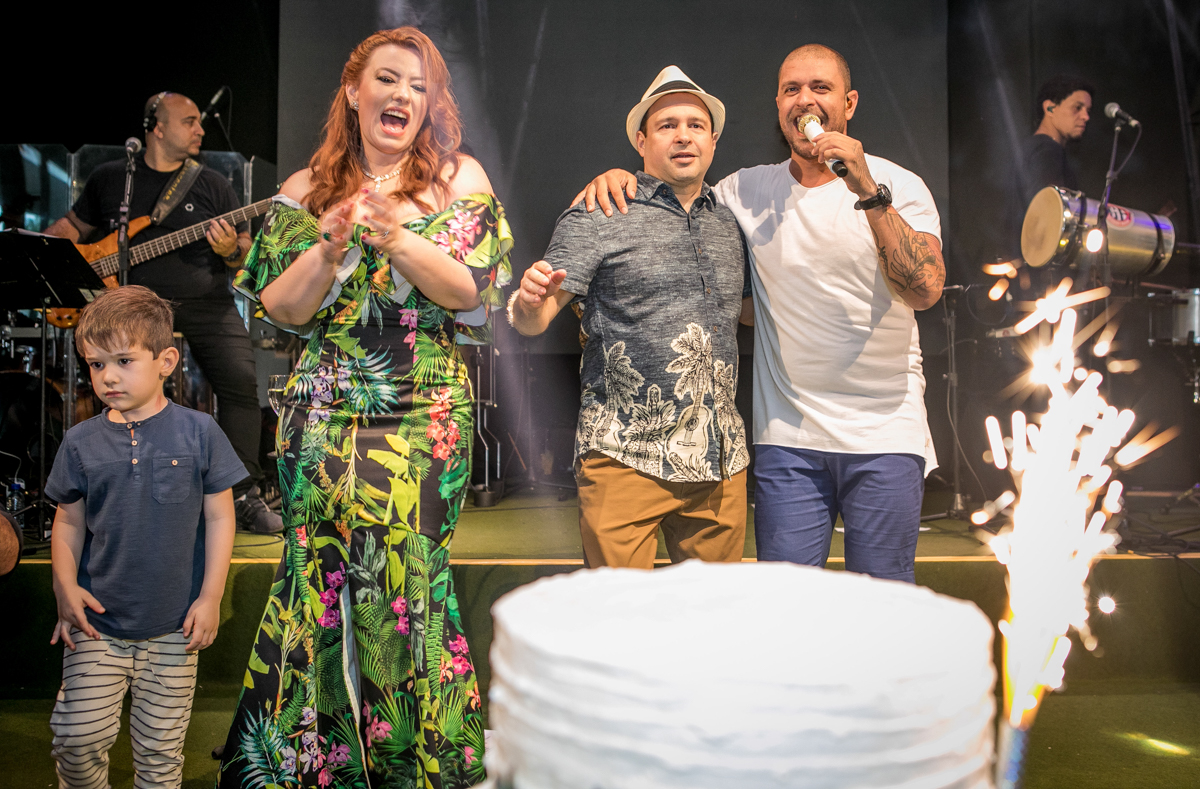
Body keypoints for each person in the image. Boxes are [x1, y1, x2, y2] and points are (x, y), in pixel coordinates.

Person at [215, 27, 511, 788]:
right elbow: (283, 310)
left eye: (419, 84)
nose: (403, 94)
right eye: (387, 78)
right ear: (354, 91)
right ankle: (318, 768)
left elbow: (468, 289)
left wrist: (395, 236)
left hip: (419, 415)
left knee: (404, 583)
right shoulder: (306, 187)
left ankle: (413, 765)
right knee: (314, 582)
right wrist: (328, 248)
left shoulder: (457, 178)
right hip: (319, 419)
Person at [580, 44, 944, 583]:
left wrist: (866, 188)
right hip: (787, 439)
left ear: (849, 103)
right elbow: (680, 198)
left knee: (882, 600)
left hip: (885, 434)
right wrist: (620, 178)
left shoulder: (898, 185)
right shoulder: (744, 191)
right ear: (778, 105)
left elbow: (925, 290)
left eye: (820, 88)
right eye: (792, 89)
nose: (805, 100)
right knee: (784, 604)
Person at [511, 66, 750, 569]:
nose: (683, 136)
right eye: (667, 125)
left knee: (716, 614)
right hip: (623, 456)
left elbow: (749, 315)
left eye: (696, 125)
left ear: (713, 142)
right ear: (642, 141)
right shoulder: (600, 211)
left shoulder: (730, 223)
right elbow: (533, 320)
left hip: (720, 465)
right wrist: (528, 302)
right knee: (617, 614)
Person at [45, 91, 281, 534]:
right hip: (133, 309)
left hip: (206, 303)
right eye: (189, 121)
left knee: (240, 383)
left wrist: (231, 250)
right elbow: (71, 228)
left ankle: (240, 492)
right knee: (115, 384)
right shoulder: (112, 178)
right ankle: (108, 484)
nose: (201, 129)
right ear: (157, 127)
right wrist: (50, 255)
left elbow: (245, 254)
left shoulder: (213, 184)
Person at [45, 285, 243, 787]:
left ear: (165, 361)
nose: (107, 376)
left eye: (123, 361)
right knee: (77, 739)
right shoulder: (79, 441)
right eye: (96, 364)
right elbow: (67, 521)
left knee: (159, 757)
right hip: (96, 625)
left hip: (175, 628)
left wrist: (211, 597)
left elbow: (221, 519)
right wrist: (64, 588)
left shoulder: (200, 432)